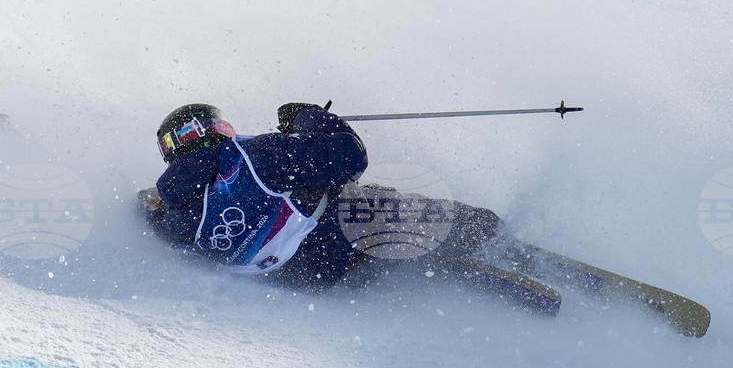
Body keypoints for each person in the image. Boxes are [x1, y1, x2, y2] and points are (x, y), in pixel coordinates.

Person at [140, 102, 505, 293]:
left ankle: (420, 256)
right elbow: (350, 156)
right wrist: (309, 118)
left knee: (318, 196)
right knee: (361, 199)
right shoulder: (253, 157)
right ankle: (494, 237)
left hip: (307, 278)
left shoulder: (171, 218)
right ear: (218, 129)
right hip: (342, 236)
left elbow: (147, 205)